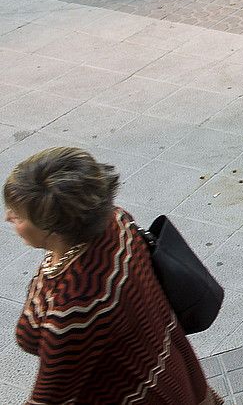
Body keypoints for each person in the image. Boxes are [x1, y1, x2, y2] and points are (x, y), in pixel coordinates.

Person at [6, 146, 224, 404]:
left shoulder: (76, 308)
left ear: (54, 228)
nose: (9, 217)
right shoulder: (117, 223)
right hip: (174, 373)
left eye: (18, 216)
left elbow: (50, 399)